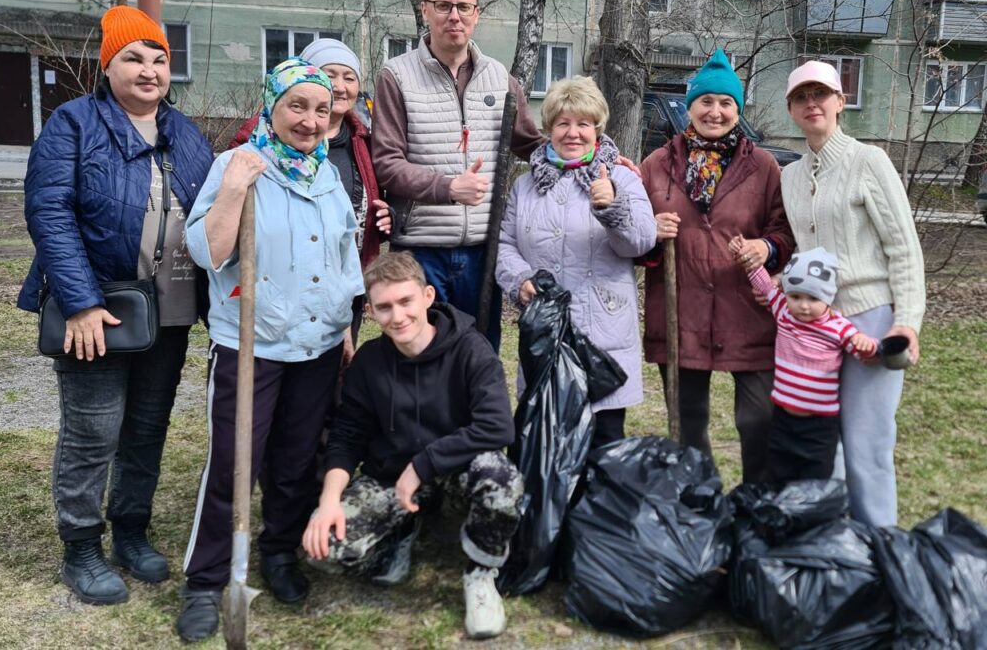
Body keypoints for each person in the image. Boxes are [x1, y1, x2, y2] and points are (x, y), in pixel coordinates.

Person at [16, 6, 214, 605]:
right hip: (99, 311)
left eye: (159, 59)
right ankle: (81, 547)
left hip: (171, 312)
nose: (149, 70)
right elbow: (49, 211)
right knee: (93, 431)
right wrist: (78, 301)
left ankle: (131, 532)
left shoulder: (184, 131)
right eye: (134, 58)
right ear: (109, 66)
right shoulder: (74, 124)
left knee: (147, 429)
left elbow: (212, 210)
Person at [176, 58, 363, 642]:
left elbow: (344, 258)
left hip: (319, 343)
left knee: (295, 458)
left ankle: (279, 552)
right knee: (234, 462)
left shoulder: (327, 173)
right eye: (297, 107)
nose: (310, 120)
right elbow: (208, 252)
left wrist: (347, 329)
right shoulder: (237, 163)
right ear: (272, 108)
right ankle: (207, 581)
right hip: (251, 344)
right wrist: (234, 189)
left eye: (321, 108)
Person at [302, 251, 523, 641]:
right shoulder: (369, 362)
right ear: (369, 311)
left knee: (501, 481)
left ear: (428, 296)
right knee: (327, 550)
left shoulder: (471, 350)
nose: (397, 316)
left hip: (457, 472)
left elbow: (498, 427)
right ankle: (402, 532)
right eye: (384, 307)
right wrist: (329, 500)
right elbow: (347, 435)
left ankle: (481, 574)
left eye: (406, 301)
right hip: (390, 479)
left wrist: (422, 465)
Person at [780, 60, 925, 526]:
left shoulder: (869, 161)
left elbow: (903, 248)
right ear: (791, 109)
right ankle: (840, 551)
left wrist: (907, 321)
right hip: (815, 328)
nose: (812, 103)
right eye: (802, 96)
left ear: (840, 102)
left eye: (821, 94)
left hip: (869, 318)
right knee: (827, 443)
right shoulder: (791, 175)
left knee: (867, 442)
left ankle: (879, 545)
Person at [639, 50, 794, 484]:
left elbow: (783, 231)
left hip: (749, 311)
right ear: (690, 107)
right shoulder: (658, 165)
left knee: (758, 418)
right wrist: (650, 233)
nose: (715, 111)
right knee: (689, 422)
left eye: (726, 103)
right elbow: (631, 238)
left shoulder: (763, 167)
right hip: (679, 312)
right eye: (706, 101)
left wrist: (767, 248)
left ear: (737, 110)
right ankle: (701, 506)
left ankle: (755, 505)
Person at [371, 0, 543, 350]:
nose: (454, 16)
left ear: (476, 15)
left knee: (479, 357)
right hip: (421, 248)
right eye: (444, 5)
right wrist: (448, 188)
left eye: (464, 7)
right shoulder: (396, 76)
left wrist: (595, 158)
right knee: (423, 355)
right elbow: (387, 163)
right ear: (425, 10)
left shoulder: (501, 79)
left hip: (483, 253)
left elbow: (532, 145)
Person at [495, 76, 657, 446]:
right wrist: (519, 279)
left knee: (603, 443)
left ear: (597, 129)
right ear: (549, 128)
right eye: (563, 123)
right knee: (547, 442)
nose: (573, 133)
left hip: (603, 333)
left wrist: (611, 206)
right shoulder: (525, 186)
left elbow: (641, 242)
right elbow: (505, 244)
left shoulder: (621, 179)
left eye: (583, 123)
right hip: (547, 335)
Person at [230, 38, 392, 342]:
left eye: (350, 77)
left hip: (343, 286)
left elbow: (368, 204)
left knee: (332, 377)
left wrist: (385, 219)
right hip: (278, 289)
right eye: (330, 74)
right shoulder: (261, 141)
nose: (341, 87)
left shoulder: (365, 141)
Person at [731, 243, 877, 484]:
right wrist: (746, 258)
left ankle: (810, 518)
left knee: (815, 480)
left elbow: (862, 349)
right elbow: (765, 285)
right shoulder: (784, 313)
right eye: (796, 296)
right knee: (778, 473)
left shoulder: (837, 327)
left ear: (828, 297)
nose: (804, 305)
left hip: (819, 427)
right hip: (783, 420)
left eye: (813, 298)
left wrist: (865, 343)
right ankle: (782, 515)